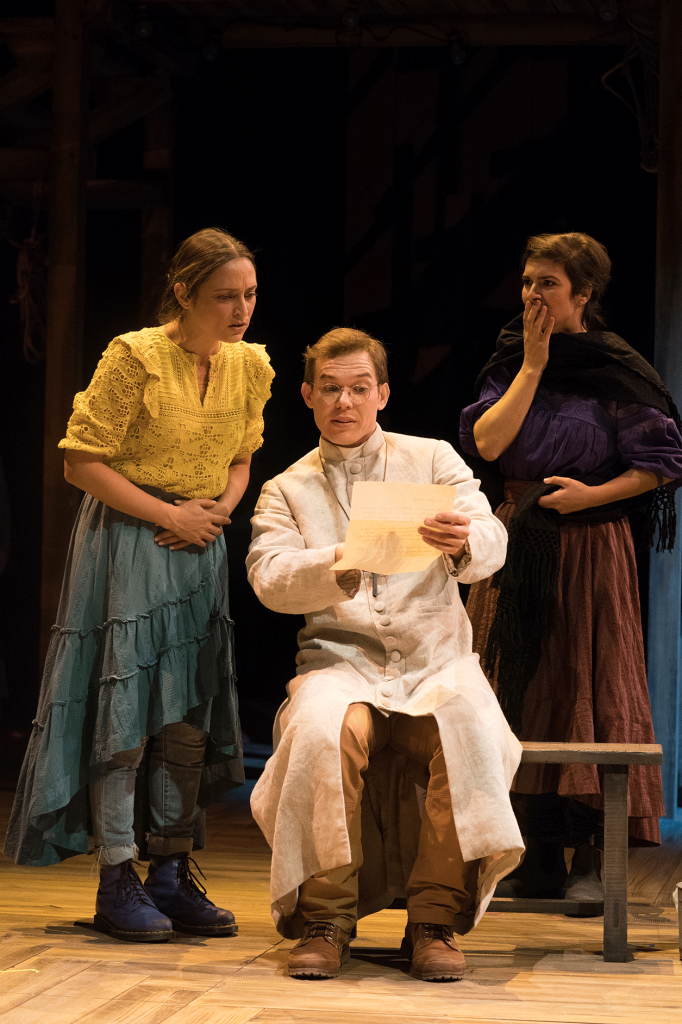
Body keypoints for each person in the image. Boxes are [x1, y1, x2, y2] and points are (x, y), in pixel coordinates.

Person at [4, 227, 275, 942]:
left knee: (183, 717)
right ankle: (116, 876)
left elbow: (243, 453)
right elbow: (80, 460)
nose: (241, 309)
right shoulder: (136, 356)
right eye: (225, 296)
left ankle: (171, 872)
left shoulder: (249, 365)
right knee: (127, 716)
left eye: (249, 294)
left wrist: (218, 510)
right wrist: (171, 515)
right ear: (184, 292)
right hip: (133, 537)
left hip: (197, 546)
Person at [246, 328, 524, 982]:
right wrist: (339, 561)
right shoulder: (287, 489)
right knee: (321, 731)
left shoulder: (432, 461)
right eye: (332, 389)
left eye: (359, 388)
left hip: (435, 660)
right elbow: (268, 575)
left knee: (471, 730)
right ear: (309, 394)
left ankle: (434, 919)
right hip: (339, 664)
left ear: (383, 394)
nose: (345, 401)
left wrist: (462, 543)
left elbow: (489, 534)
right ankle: (327, 918)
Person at [460, 232, 682, 904]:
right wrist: (532, 364)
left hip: (591, 544)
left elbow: (661, 465)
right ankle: (531, 854)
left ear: (583, 294)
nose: (534, 295)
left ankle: (590, 857)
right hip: (515, 542)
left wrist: (594, 495)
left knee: (588, 686)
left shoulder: (613, 368)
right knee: (516, 688)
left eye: (549, 284)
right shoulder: (509, 360)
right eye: (528, 282)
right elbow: (488, 443)